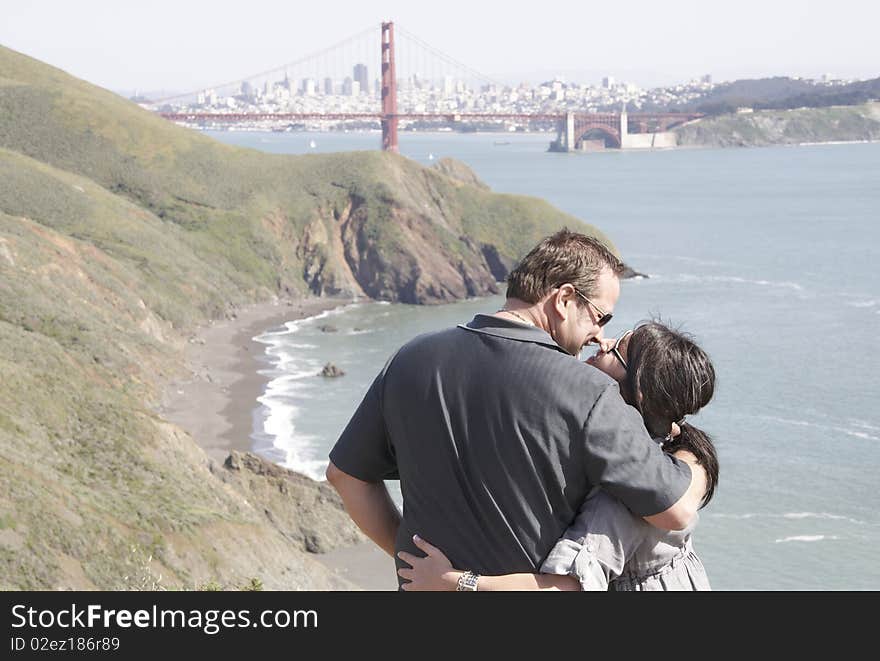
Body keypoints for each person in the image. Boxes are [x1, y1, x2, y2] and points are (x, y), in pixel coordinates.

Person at [326, 229, 704, 590]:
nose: (599, 335)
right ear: (564, 300)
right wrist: (694, 453)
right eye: (600, 317)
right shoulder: (588, 391)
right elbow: (675, 511)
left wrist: (411, 560)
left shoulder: (410, 359)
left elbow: (345, 477)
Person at [397, 321, 719, 591]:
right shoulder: (667, 454)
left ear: (639, 392)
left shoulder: (623, 499)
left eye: (617, 348)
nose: (603, 342)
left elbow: (564, 588)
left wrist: (455, 581)